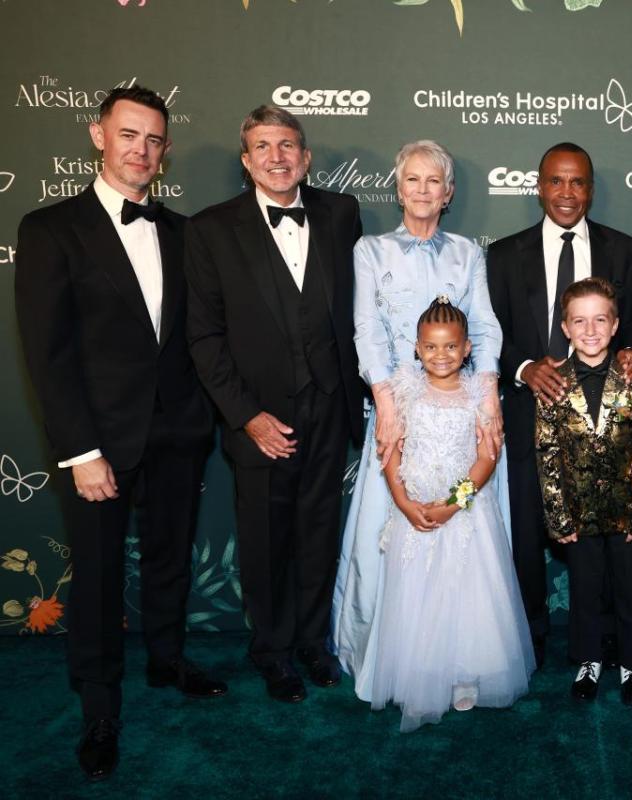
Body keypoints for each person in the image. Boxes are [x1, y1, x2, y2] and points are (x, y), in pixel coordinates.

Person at [14, 85, 223, 781]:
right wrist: (79, 451)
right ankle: (99, 708)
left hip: (176, 433)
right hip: (97, 444)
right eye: (129, 134)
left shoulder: (183, 231)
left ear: (165, 151)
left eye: (155, 139)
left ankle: (167, 661)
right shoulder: (49, 229)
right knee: (99, 577)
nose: (142, 149)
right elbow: (48, 353)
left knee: (169, 557)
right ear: (98, 135)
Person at [184, 105, 364, 703]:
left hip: (330, 407)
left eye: (287, 145)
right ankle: (272, 650)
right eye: (263, 146)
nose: (277, 156)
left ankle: (313, 642)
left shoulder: (342, 214)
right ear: (246, 160)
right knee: (264, 540)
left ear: (306, 157)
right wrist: (246, 416)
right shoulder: (210, 229)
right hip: (259, 417)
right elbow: (204, 337)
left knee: (319, 530)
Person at [331, 140, 502, 699]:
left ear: (448, 193)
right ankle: (388, 661)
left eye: (435, 182)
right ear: (398, 188)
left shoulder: (467, 255)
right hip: (399, 414)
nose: (423, 190)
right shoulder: (370, 251)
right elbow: (365, 331)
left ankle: (460, 663)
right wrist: (387, 406)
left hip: (460, 417)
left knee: (464, 542)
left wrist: (490, 395)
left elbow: (485, 326)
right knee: (393, 536)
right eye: (413, 180)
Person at [486, 142, 632, 666]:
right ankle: (530, 635)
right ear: (539, 187)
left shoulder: (623, 248)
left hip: (605, 418)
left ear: (592, 190)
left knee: (604, 532)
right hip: (527, 411)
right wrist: (523, 369)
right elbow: (492, 333)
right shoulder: (506, 253)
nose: (566, 192)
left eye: (577, 182)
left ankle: (603, 640)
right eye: (556, 181)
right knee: (529, 529)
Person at [363, 298, 533, 731]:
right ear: (417, 349)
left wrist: (454, 504)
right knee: (418, 592)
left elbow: (485, 459)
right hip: (414, 509)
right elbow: (391, 452)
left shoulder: (480, 395)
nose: (441, 356)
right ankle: (421, 671)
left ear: (468, 348)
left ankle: (464, 674)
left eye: (451, 347)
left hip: (465, 513)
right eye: (432, 347)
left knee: (466, 592)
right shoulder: (404, 391)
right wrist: (403, 503)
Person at [535, 277, 632, 703]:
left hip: (628, 512)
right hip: (578, 513)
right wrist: (558, 516)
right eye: (580, 321)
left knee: (630, 588)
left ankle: (631, 664)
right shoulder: (552, 383)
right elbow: (547, 452)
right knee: (585, 588)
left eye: (600, 320)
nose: (590, 330)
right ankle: (588, 660)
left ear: (615, 324)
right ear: (566, 328)